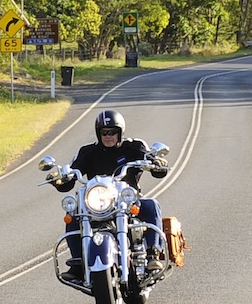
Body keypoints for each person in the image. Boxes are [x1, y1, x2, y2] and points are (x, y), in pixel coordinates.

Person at [48, 110, 168, 281]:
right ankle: (77, 264)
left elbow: (151, 162)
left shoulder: (134, 147)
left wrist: (157, 163)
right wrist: (59, 179)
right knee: (73, 216)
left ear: (120, 132)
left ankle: (153, 255)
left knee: (151, 205)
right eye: (104, 132)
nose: (108, 136)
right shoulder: (88, 151)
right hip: (97, 203)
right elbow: (73, 173)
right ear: (99, 133)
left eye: (112, 132)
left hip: (127, 201)